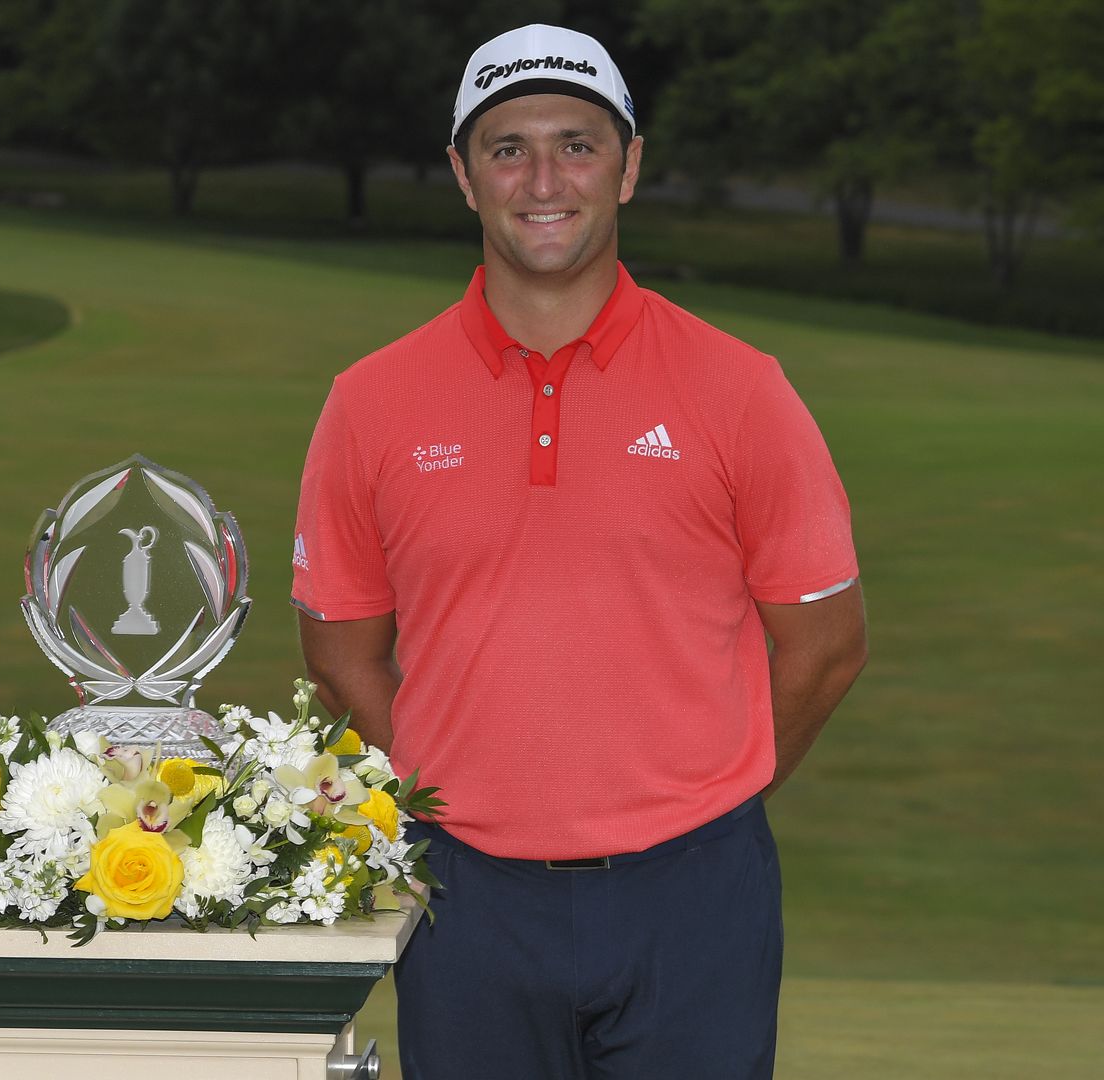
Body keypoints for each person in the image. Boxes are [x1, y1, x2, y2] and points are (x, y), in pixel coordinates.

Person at [291, 24, 868, 1079]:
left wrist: (702, 794)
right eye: (508, 148)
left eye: (578, 144)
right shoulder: (369, 403)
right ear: (464, 176)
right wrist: (445, 797)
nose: (544, 179)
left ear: (631, 166)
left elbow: (827, 644)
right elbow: (340, 655)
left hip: (696, 892)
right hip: (465, 895)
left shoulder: (743, 390)